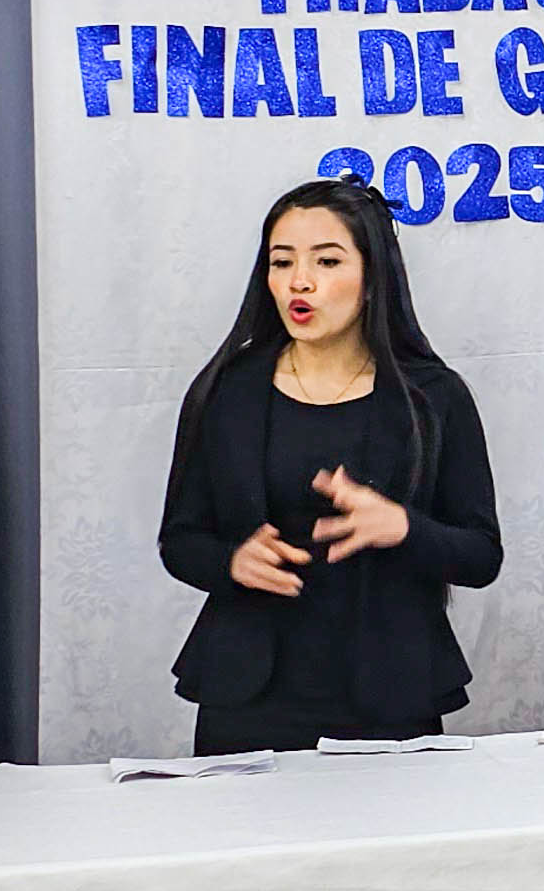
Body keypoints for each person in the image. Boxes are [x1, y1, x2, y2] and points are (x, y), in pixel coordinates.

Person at [158, 180, 498, 749]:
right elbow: (180, 540)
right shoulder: (229, 389)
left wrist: (403, 527)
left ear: (373, 277)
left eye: (327, 261)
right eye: (282, 262)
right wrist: (231, 561)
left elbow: (482, 555)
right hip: (247, 695)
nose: (300, 281)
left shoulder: (433, 396)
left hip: (390, 692)